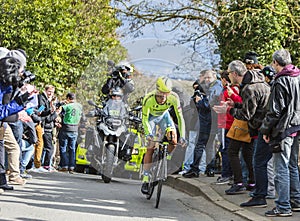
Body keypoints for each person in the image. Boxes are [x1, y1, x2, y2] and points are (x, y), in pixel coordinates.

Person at [260, 49, 300, 217]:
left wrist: (265, 130)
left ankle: (283, 206)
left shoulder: (280, 81)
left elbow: (275, 111)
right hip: (296, 126)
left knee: (281, 169)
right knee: (292, 166)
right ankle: (296, 201)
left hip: (283, 129)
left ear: (276, 63)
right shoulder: (297, 77)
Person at [141, 76, 186, 194]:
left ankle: (165, 161)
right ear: (156, 91)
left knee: (173, 139)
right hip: (151, 118)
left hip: (164, 117)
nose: (163, 99)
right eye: (160, 96)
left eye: (166, 95)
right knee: (150, 146)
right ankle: (145, 179)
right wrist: (148, 134)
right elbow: (145, 118)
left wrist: (183, 136)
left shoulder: (174, 98)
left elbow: (180, 118)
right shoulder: (148, 99)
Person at [0, 56, 33, 190]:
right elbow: (2, 111)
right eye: (19, 71)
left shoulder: (5, 85)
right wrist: (20, 102)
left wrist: (23, 98)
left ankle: (2, 180)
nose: (20, 75)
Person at [183, 69, 223, 178]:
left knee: (200, 145)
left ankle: (195, 169)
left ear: (214, 77)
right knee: (208, 146)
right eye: (205, 77)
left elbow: (207, 105)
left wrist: (199, 101)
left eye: (209, 77)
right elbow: (192, 103)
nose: (206, 80)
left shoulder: (216, 88)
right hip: (206, 121)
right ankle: (209, 169)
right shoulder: (205, 87)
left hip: (209, 121)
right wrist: (197, 100)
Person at [58, 93, 83, 173]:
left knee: (63, 147)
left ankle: (64, 165)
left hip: (66, 127)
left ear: (68, 98)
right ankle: (72, 166)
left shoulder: (66, 106)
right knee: (72, 148)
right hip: (75, 128)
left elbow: (59, 112)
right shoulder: (80, 106)